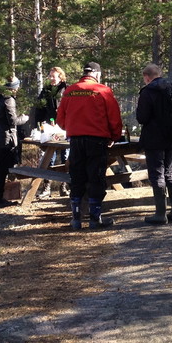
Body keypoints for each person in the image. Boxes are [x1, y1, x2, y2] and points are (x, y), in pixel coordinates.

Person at [56, 62, 124, 230]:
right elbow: (114, 118)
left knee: (77, 178)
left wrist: (72, 128)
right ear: (97, 74)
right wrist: (114, 136)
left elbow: (60, 120)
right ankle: (94, 219)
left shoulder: (70, 91)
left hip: (76, 141)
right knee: (96, 178)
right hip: (97, 141)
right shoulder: (103, 90)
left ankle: (76, 219)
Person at [136, 63, 172, 224]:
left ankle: (160, 214)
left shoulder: (148, 92)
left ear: (147, 77)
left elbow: (142, 118)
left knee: (157, 175)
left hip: (154, 139)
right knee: (169, 173)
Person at [0, 77, 29, 209]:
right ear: (14, 88)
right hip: (6, 140)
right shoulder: (8, 100)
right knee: (2, 170)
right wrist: (24, 118)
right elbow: (13, 121)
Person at [34, 66, 68, 199]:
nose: (51, 78)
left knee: (66, 156)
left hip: (64, 127)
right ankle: (46, 187)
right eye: (50, 76)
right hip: (49, 127)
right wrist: (39, 125)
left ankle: (63, 186)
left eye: (53, 76)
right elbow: (39, 108)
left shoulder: (67, 89)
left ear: (60, 77)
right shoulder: (46, 90)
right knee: (49, 156)